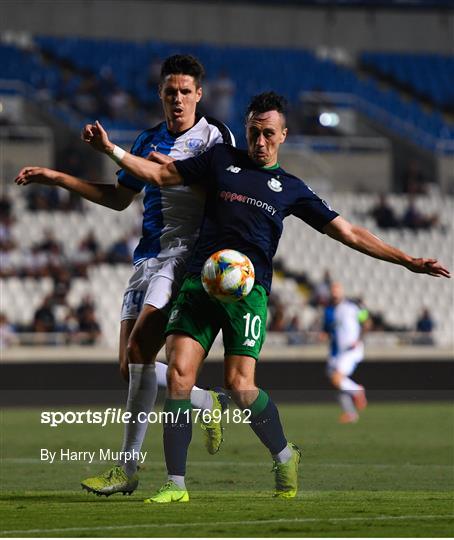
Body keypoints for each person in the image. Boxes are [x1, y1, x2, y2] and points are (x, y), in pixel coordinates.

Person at [18, 91, 451, 503]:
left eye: (268, 134)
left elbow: (349, 231)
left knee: (240, 387)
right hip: (201, 284)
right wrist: (112, 150)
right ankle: (175, 483)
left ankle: (285, 456)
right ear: (245, 131)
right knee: (178, 378)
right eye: (253, 132)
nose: (259, 141)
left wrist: (407, 260)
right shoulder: (221, 160)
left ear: (283, 135)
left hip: (249, 295)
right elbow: (160, 176)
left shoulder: (291, 188)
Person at [15, 54, 235, 497]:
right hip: (145, 259)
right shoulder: (147, 138)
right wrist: (59, 178)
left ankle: (128, 469)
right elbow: (119, 199)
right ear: (160, 94)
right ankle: (204, 400)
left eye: (185, 92)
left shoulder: (214, 138)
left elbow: (222, 192)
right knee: (129, 366)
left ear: (199, 95)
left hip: (182, 255)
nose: (177, 99)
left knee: (139, 350)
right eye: (170, 92)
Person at [323, 282, 370, 424]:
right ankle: (350, 413)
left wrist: (359, 339)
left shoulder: (352, 306)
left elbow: (366, 322)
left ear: (342, 291)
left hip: (351, 350)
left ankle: (357, 390)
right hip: (337, 352)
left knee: (337, 379)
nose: (334, 292)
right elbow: (328, 330)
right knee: (337, 382)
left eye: (337, 289)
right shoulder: (329, 310)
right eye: (332, 290)